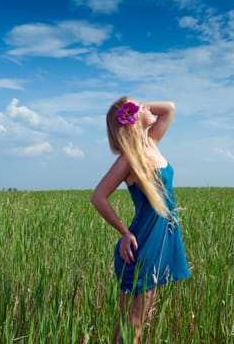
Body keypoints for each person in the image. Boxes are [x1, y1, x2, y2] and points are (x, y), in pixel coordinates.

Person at [91, 96, 190, 343]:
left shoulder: (152, 142)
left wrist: (137, 107)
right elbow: (98, 197)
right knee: (132, 326)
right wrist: (124, 232)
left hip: (157, 243)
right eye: (139, 106)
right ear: (131, 119)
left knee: (135, 323)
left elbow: (169, 108)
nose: (147, 107)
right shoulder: (129, 158)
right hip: (141, 247)